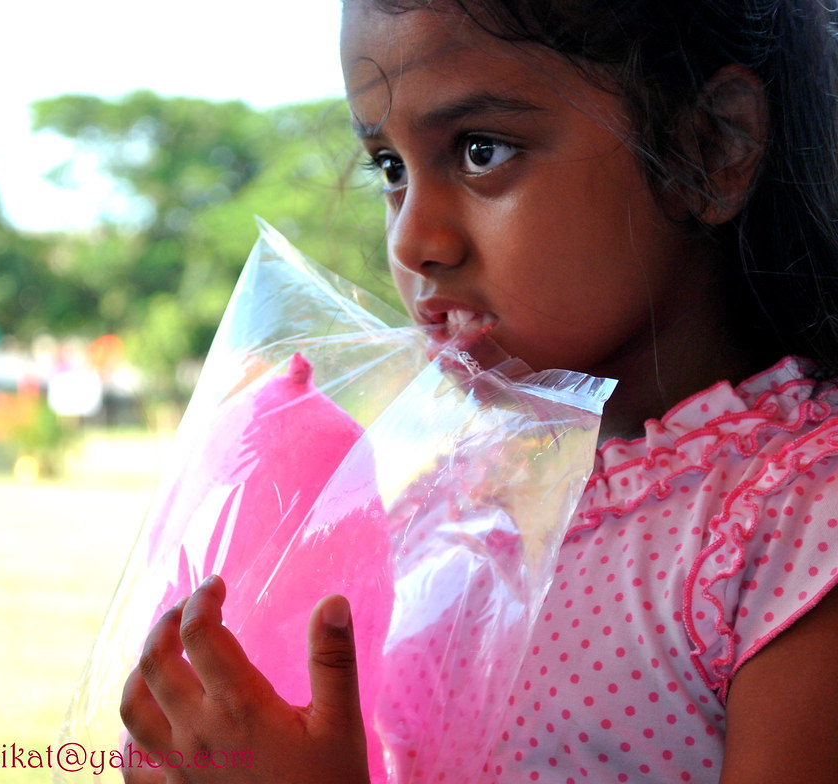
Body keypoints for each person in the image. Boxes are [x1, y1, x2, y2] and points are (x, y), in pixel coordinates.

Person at [118, 0, 838, 781]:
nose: (412, 240)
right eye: (390, 168)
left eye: (480, 150)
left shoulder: (798, 524)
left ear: (711, 146)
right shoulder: (462, 501)